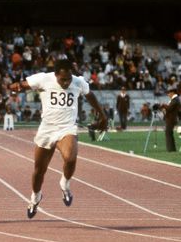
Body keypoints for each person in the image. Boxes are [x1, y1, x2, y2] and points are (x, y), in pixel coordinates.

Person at [8, 59, 107, 219]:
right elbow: (22, 85)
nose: (66, 83)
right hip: (47, 129)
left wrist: (102, 115)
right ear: (56, 75)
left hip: (67, 128)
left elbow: (90, 96)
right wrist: (15, 87)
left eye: (68, 78)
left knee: (70, 157)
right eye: (63, 79)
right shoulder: (44, 78)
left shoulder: (78, 82)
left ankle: (65, 184)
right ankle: (35, 197)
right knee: (39, 171)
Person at [162, 86, 181, 152]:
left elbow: (169, 108)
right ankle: (172, 149)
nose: (168, 95)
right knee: (169, 133)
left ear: (172, 93)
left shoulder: (175, 100)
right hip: (170, 118)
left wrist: (163, 105)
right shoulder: (174, 100)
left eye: (169, 93)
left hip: (171, 119)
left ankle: (170, 149)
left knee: (168, 133)